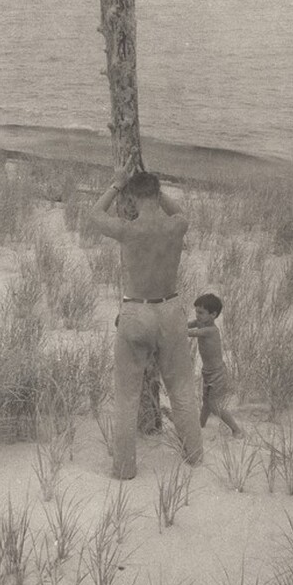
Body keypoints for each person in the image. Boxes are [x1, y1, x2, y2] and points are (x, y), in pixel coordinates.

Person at [89, 167, 203, 479]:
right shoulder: (176, 225)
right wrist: (158, 193)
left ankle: (125, 469)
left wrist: (117, 184)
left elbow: (94, 215)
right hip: (169, 309)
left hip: (136, 310)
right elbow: (179, 212)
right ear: (157, 193)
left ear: (133, 199)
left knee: (127, 398)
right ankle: (194, 457)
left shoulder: (128, 230)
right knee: (181, 390)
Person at [188, 293, 243, 438]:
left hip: (217, 373)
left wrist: (173, 330)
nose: (197, 315)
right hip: (207, 371)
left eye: (201, 313)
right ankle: (200, 425)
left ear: (213, 315)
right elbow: (187, 325)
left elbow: (190, 332)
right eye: (196, 312)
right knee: (206, 401)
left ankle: (236, 430)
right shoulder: (201, 323)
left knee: (214, 404)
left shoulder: (211, 330)